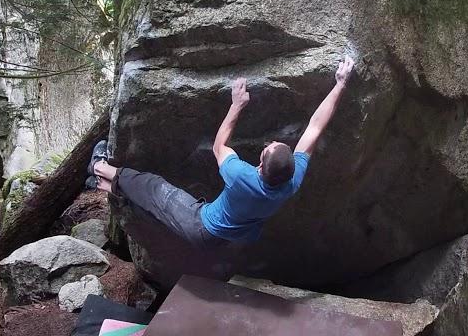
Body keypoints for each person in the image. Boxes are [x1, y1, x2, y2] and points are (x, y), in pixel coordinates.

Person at [88, 55, 355, 250]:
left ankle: (99, 166)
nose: (268, 144)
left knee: (152, 187)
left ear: (260, 168)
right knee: (153, 209)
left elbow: (219, 147)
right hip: (225, 239)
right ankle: (101, 184)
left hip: (199, 224)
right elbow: (315, 127)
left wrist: (237, 105)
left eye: (267, 149)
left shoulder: (241, 176)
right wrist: (340, 85)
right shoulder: (291, 182)